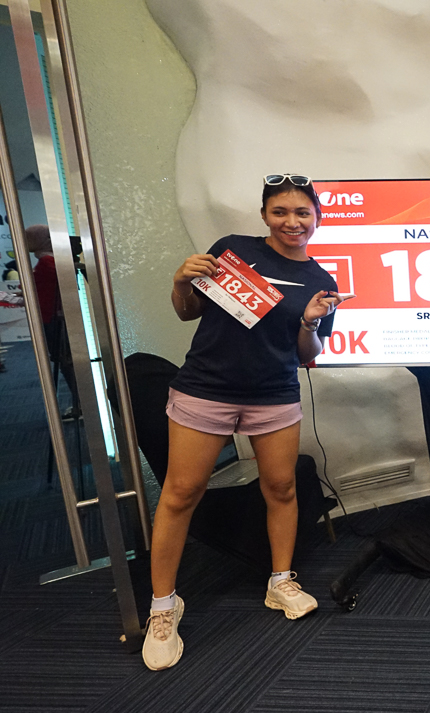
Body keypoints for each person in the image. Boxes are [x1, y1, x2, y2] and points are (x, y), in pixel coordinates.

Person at [142, 174, 352, 671]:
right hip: (205, 389)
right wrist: (181, 281)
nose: (292, 222)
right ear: (264, 215)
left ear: (317, 218)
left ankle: (280, 581)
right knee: (180, 493)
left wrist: (309, 321)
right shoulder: (233, 250)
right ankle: (163, 607)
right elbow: (187, 313)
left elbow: (306, 355)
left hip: (273, 395)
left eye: (302, 213)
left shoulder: (321, 280)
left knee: (281, 488)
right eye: (280, 211)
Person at [27, 225, 80, 417]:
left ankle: (79, 404)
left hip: (53, 319)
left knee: (65, 362)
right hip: (54, 317)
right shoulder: (50, 260)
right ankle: (79, 403)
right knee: (66, 362)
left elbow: (48, 294)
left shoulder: (47, 262)